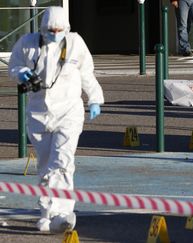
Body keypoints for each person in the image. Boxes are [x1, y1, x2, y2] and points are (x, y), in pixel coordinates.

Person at [8, 6, 104, 233]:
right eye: (50, 30)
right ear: (42, 28)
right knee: (45, 163)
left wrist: (94, 99)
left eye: (59, 30)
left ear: (67, 28)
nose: (55, 33)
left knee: (61, 160)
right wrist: (21, 72)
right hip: (38, 113)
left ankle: (63, 212)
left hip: (69, 111)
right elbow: (13, 66)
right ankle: (46, 212)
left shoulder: (75, 43)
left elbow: (87, 73)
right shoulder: (27, 43)